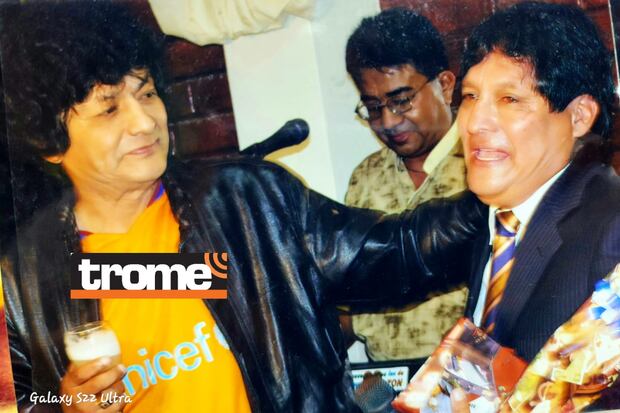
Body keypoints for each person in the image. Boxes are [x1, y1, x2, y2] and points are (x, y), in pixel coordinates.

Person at [0, 3, 485, 413]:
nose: (144, 121)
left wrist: (497, 192)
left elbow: (399, 251)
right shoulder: (23, 282)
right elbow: (24, 401)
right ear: (50, 139)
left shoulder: (243, 201)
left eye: (146, 93)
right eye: (109, 108)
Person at [452, 1, 620, 409]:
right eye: (471, 96)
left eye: (509, 99)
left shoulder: (611, 230)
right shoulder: (499, 217)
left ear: (578, 117)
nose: (474, 122)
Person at [342, 8, 468, 361]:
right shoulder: (365, 177)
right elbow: (351, 297)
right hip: (385, 381)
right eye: (372, 107)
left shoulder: (483, 162)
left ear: (445, 85)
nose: (388, 121)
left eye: (401, 101)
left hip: (470, 379)